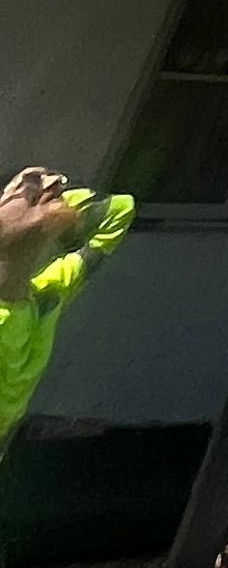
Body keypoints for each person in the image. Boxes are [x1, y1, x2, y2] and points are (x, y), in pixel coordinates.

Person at [0, 170, 133, 465]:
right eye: (30, 186)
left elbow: (120, 211)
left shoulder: (47, 297)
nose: (54, 184)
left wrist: (54, 207)